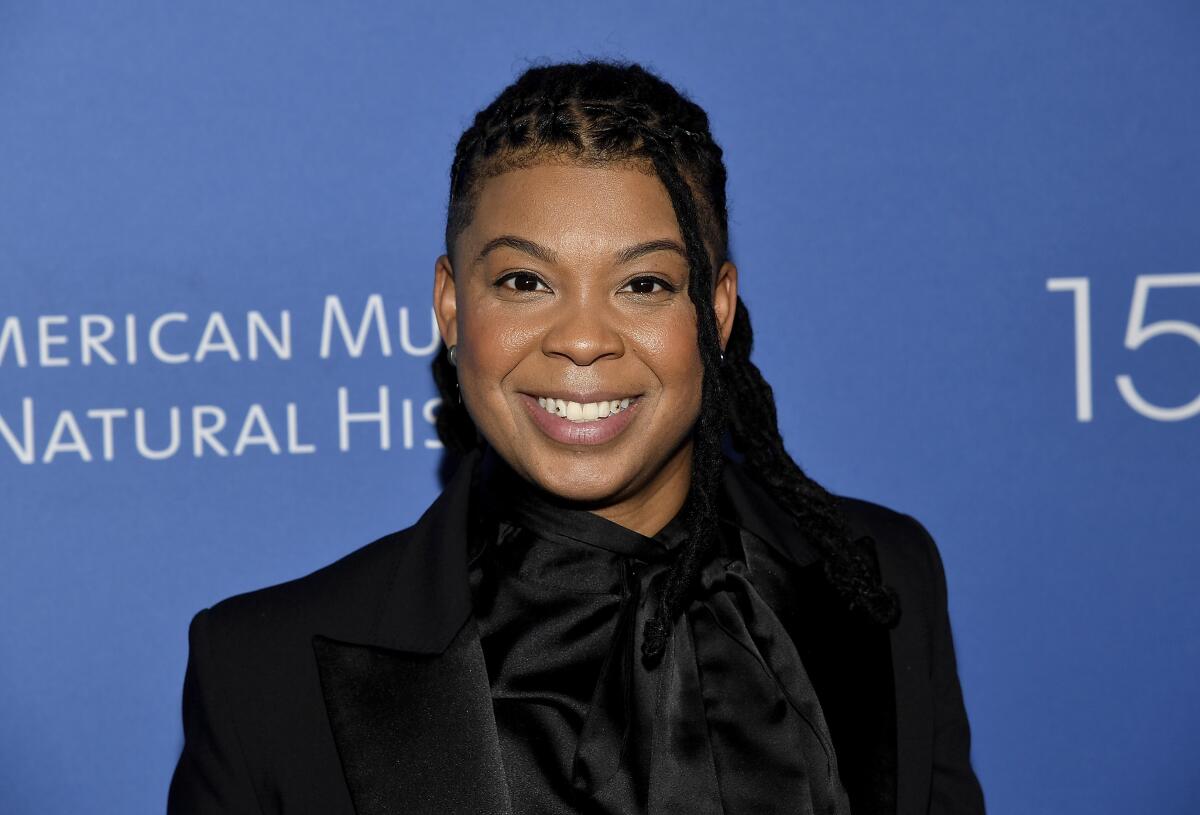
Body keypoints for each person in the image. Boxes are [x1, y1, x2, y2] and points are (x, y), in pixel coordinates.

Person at [167, 59, 986, 815]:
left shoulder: (883, 580)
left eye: (645, 283)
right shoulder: (264, 675)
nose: (584, 338)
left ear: (718, 314)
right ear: (452, 308)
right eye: (526, 281)